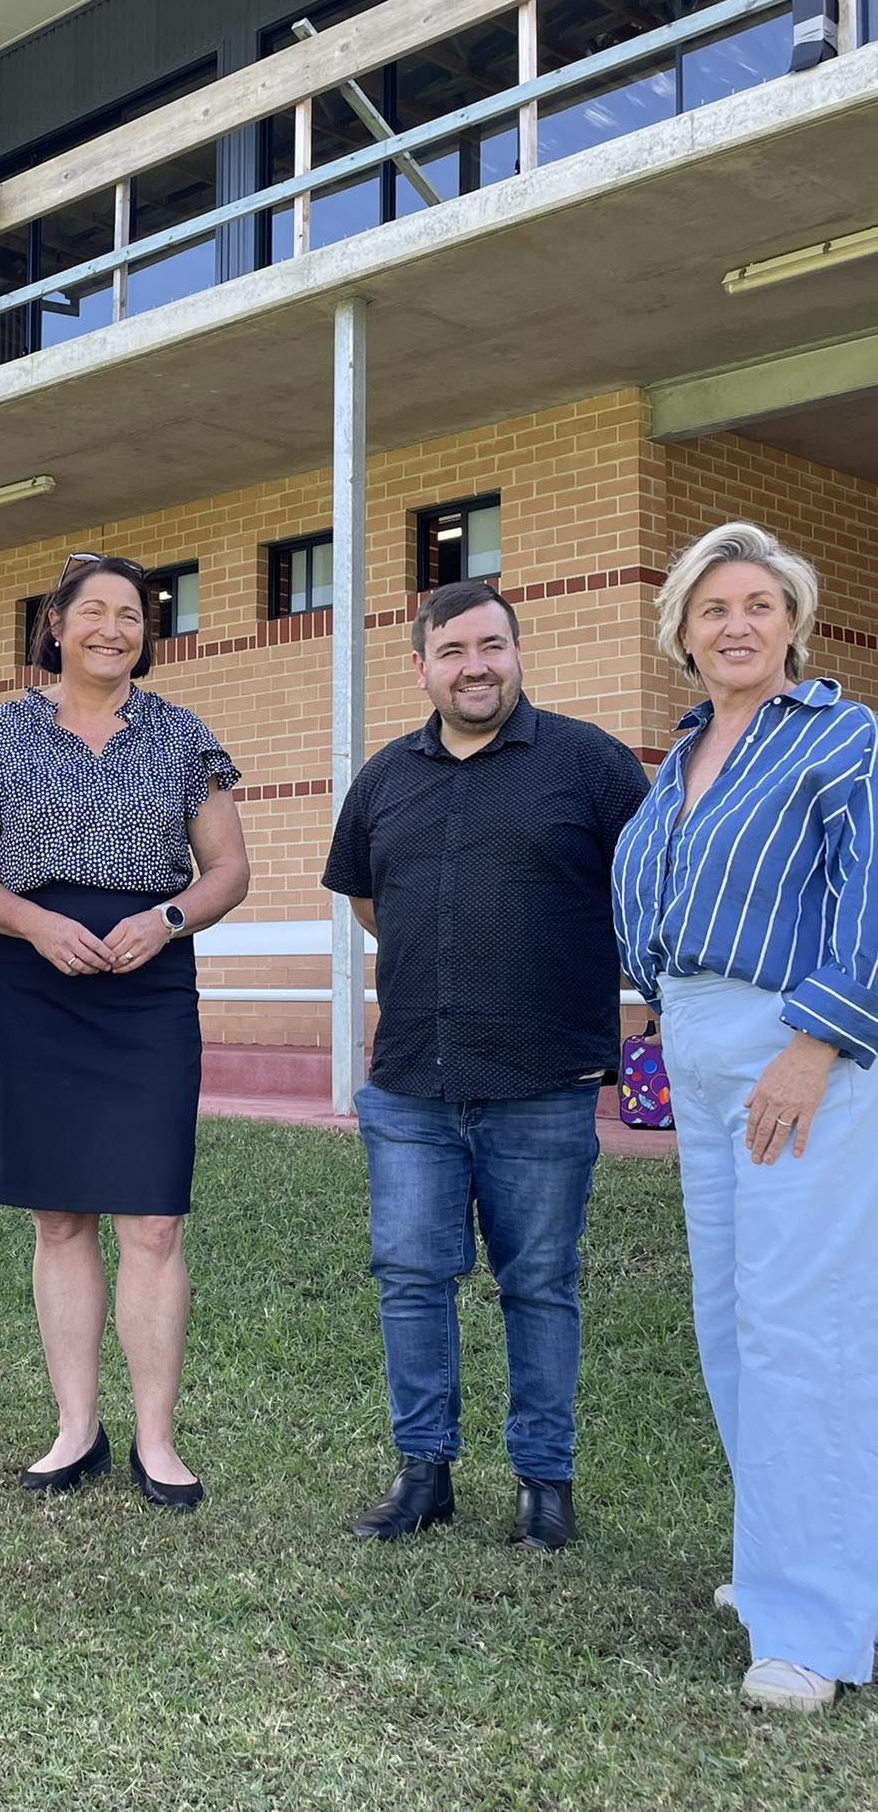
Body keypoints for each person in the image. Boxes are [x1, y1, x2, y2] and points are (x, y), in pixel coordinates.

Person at [612, 521, 878, 1715]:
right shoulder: (677, 760)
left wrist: (815, 1043)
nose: (737, 623)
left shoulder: (841, 737)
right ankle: (788, 1555)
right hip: (703, 1048)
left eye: (760, 604)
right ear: (682, 630)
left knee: (799, 1325)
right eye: (713, 606)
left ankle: (813, 1624)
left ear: (794, 624)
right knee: (729, 1320)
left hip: (797, 1047)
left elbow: (872, 898)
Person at [323, 579, 647, 1550]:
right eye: (454, 650)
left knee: (539, 1282)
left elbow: (643, 890)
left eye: (492, 646)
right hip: (410, 1085)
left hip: (543, 1081)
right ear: (420, 666)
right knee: (411, 1277)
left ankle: (545, 1483)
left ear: (517, 651)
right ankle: (423, 1472)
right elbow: (369, 900)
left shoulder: (589, 764)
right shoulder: (384, 778)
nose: (476, 667)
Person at [0, 554, 249, 1509]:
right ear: (56, 626)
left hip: (148, 985)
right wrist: (35, 924)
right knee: (60, 1214)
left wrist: (168, 919)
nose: (114, 628)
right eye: (95, 612)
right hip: (35, 979)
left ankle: (157, 1439)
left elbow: (228, 870)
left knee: (153, 1217)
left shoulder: (183, 737)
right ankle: (76, 1429)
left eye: (132, 615)